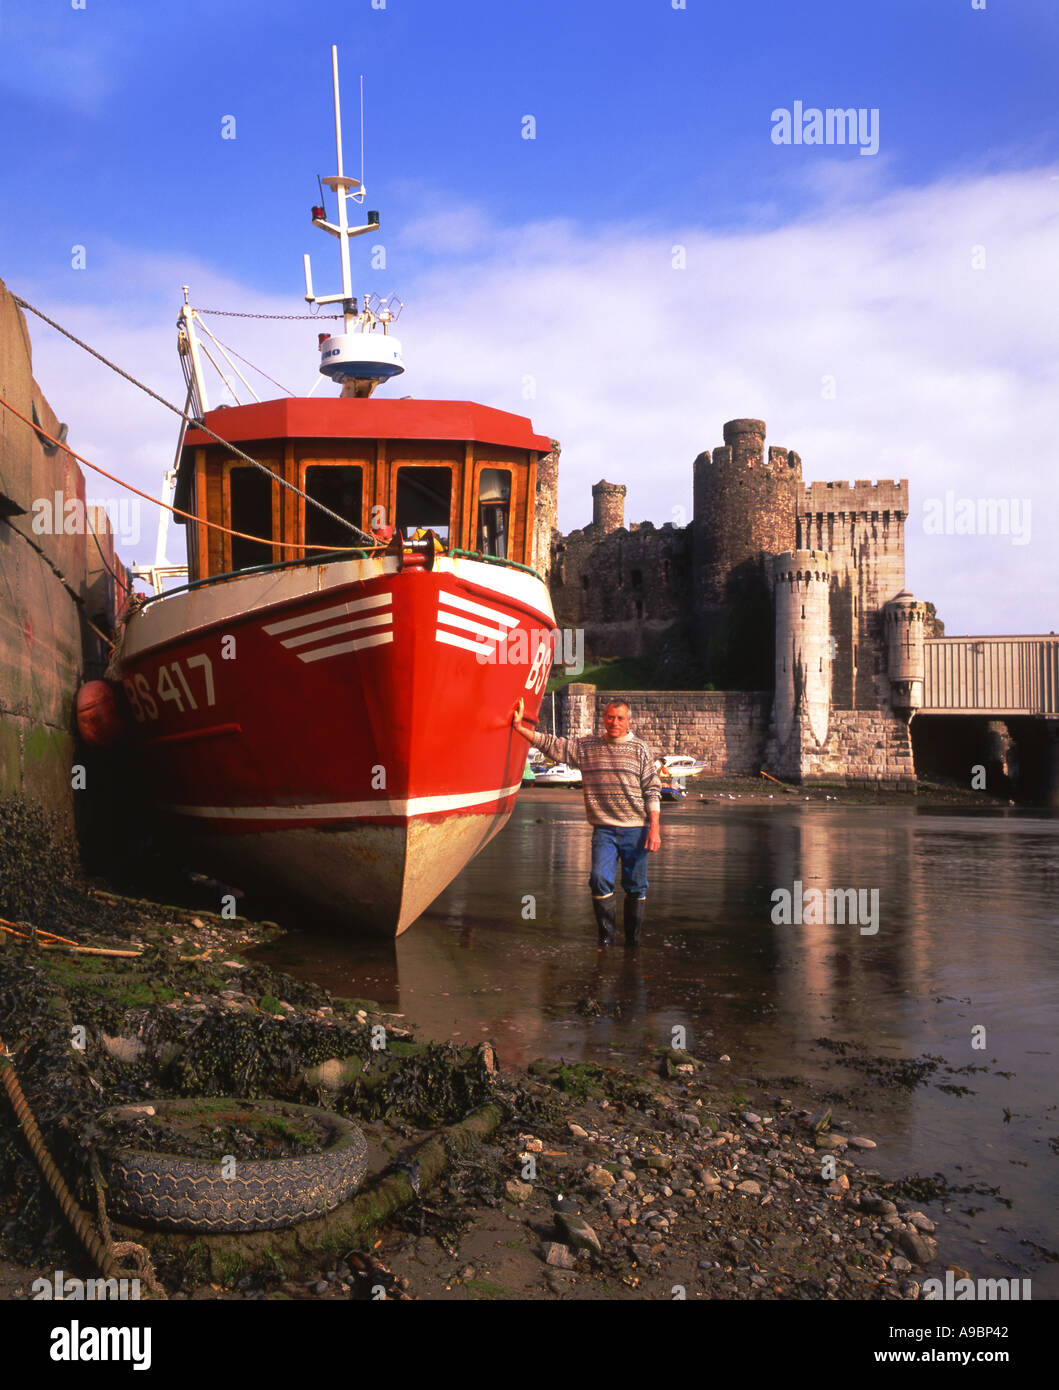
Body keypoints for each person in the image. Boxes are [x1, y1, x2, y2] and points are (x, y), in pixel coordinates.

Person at [512, 697, 661, 946]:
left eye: (620, 718)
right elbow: (553, 745)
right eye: (610, 717)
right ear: (603, 718)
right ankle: (606, 938)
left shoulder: (640, 749)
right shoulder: (587, 747)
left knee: (635, 886)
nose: (614, 722)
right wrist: (520, 729)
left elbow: (652, 790)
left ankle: (632, 943)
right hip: (604, 829)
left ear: (628, 721)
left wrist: (654, 828)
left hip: (636, 829)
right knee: (599, 879)